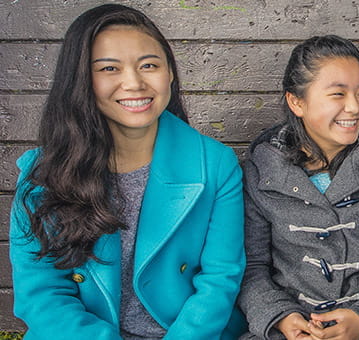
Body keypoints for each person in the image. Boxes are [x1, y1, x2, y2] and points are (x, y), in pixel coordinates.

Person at [8, 4, 246, 339]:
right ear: (81, 81)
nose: (134, 83)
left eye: (149, 65)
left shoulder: (217, 164)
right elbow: (42, 296)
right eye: (109, 68)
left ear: (170, 73)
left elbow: (220, 280)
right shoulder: (41, 173)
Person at [238, 35, 359, 340]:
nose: (354, 107)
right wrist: (281, 318)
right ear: (296, 101)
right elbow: (251, 265)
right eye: (338, 94)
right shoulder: (262, 170)